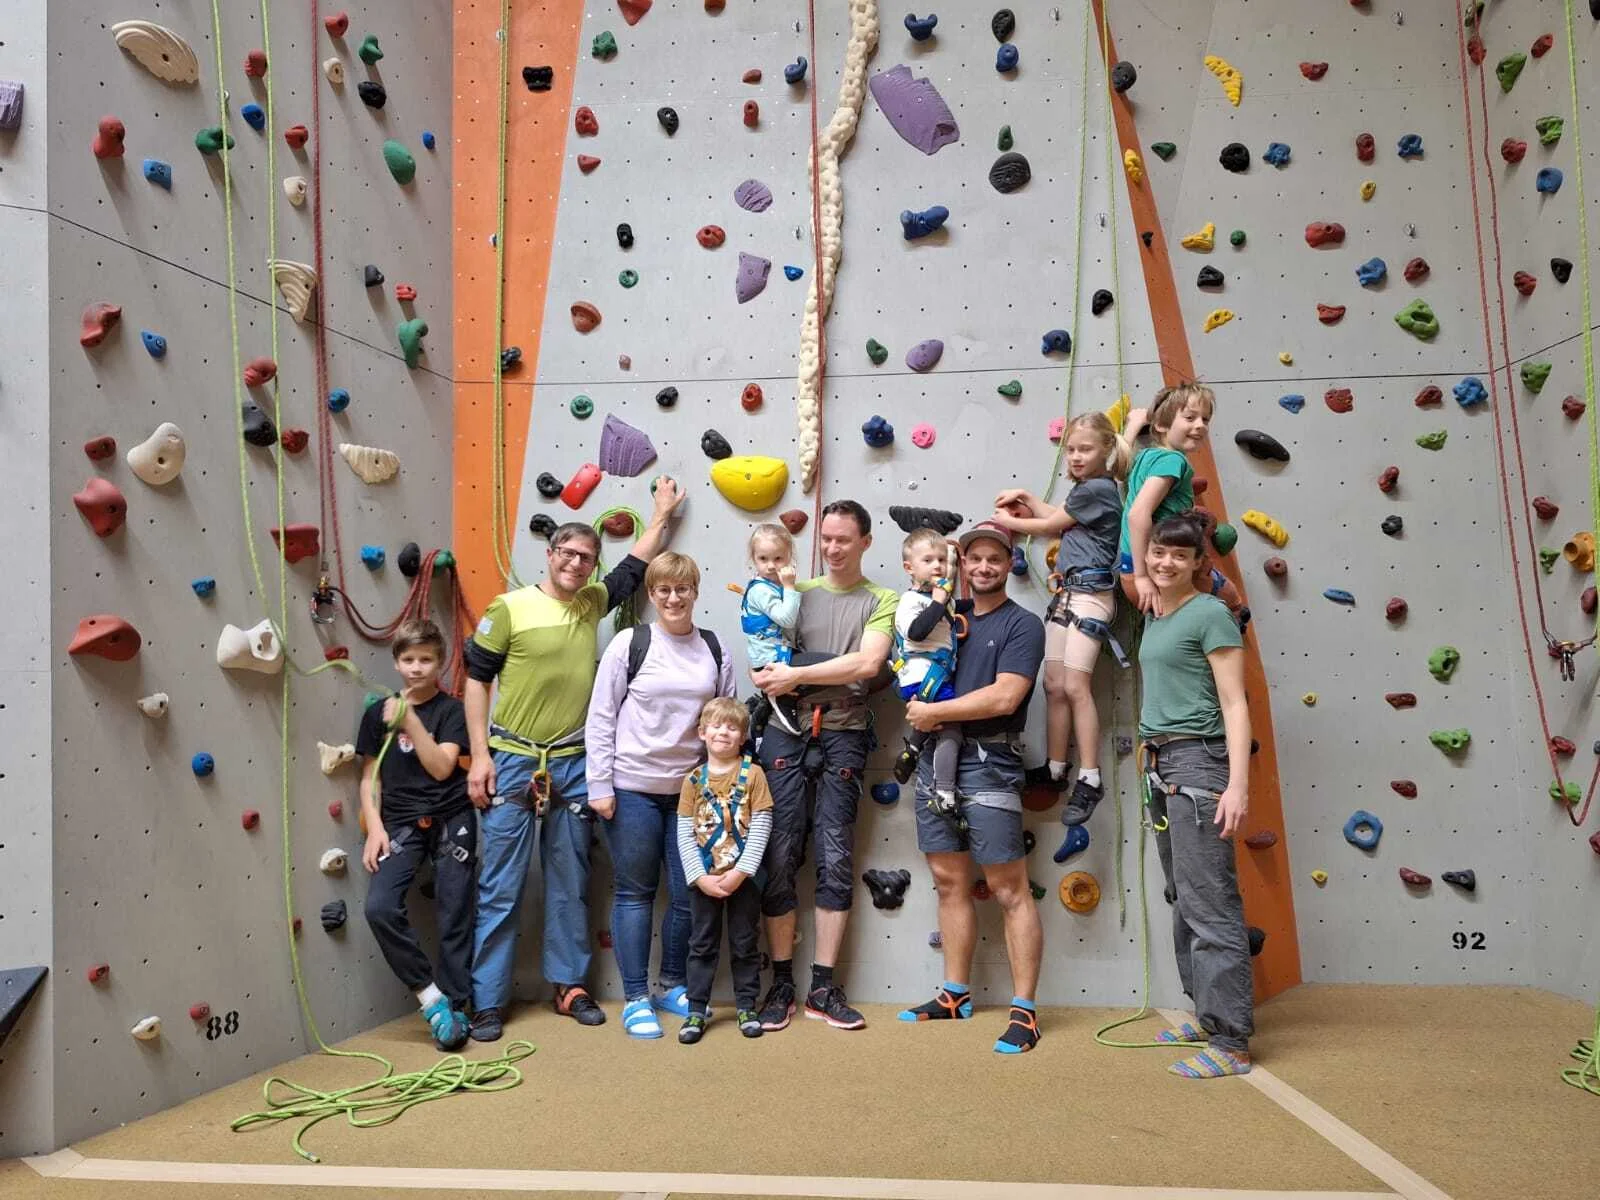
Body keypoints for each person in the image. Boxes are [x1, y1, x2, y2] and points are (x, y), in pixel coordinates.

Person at [463, 478, 684, 1042]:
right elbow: (474, 681)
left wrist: (660, 512)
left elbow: (636, 563)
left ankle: (569, 987)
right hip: (512, 760)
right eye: (568, 554)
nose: (577, 564)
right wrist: (480, 758)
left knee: (571, 880)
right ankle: (487, 999)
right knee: (500, 884)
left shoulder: (591, 604)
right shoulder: (509, 608)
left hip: (572, 762)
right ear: (551, 554)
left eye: (586, 558)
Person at [897, 520, 1047, 1054]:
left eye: (995, 560)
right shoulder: (944, 616)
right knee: (948, 881)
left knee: (1009, 888)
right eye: (975, 559)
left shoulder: (1023, 625)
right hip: (937, 760)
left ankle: (1025, 1011)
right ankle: (956, 993)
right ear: (962, 564)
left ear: (1009, 566)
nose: (984, 567)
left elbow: (1005, 697)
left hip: (991, 760)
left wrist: (933, 711)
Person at [750, 499, 896, 1032]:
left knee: (835, 858)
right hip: (784, 732)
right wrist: (789, 677)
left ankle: (824, 988)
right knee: (781, 853)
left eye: (843, 540)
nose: (832, 549)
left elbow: (869, 663)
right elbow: (762, 661)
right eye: (826, 540)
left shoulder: (882, 599)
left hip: (845, 736)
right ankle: (782, 982)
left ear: (865, 542)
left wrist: (798, 674)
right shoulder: (793, 595)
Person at [585, 552, 735, 1039]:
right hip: (632, 790)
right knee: (635, 893)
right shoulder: (632, 643)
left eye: (683, 589)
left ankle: (671, 985)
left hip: (692, 795)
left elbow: (726, 722)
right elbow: (601, 715)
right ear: (651, 594)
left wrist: (723, 790)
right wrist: (599, 785)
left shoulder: (714, 649)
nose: (673, 598)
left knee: (690, 893)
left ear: (695, 592)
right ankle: (634, 997)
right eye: (663, 590)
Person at [1136, 513, 1254, 1077]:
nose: (1166, 563)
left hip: (1198, 765)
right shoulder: (1157, 616)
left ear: (1198, 564)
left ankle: (1231, 1042)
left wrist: (1237, 785)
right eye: (1159, 552)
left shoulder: (1210, 613)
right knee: (1183, 898)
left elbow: (1235, 704)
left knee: (1211, 906)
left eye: (1179, 557)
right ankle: (1208, 1017)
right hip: (1158, 765)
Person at [990, 410, 1130, 825]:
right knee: (1054, 684)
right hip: (1069, 595)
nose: (1075, 457)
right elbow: (1062, 519)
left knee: (1074, 684)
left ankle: (1089, 777)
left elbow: (1053, 526)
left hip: (1090, 597)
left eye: (1085, 449)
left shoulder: (1100, 488)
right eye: (1070, 449)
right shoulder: (1089, 492)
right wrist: (1029, 498)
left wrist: (1009, 521)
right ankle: (1055, 770)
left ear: (1106, 450)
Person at [358, 619, 476, 1051]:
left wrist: (410, 723)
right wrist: (375, 828)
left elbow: (443, 767)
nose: (416, 668)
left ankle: (459, 1008)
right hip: (402, 823)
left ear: (440, 663)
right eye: (408, 660)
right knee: (379, 907)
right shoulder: (378, 713)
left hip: (451, 818)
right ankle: (432, 999)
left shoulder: (451, 710)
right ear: (396, 662)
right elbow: (370, 777)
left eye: (426, 660)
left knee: (454, 911)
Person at [675, 697, 773, 1044]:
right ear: (702, 732)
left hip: (743, 878)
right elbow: (684, 829)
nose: (723, 732)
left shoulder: (754, 775)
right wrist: (699, 877)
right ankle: (696, 1009)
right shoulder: (693, 780)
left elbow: (762, 823)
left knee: (745, 943)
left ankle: (747, 1005)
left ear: (743, 736)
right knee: (701, 944)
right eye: (716, 725)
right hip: (703, 878)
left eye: (732, 727)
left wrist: (742, 871)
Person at [1118, 383, 1243, 620]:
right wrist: (1143, 576)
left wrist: (1133, 426)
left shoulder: (1146, 456)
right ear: (1162, 425)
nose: (1200, 425)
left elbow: (1118, 470)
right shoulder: (1173, 461)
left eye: (1205, 420)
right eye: (1190, 417)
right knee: (1230, 601)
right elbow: (1137, 514)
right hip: (1159, 573)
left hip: (1133, 569)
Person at [889, 528, 964, 819]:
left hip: (932, 674)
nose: (937, 566)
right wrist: (939, 601)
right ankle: (945, 792)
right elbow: (917, 632)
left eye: (941, 561)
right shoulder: (911, 600)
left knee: (933, 721)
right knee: (952, 729)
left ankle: (913, 749)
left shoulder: (940, 599)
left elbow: (953, 599)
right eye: (928, 560)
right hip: (923, 674)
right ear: (910, 568)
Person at [737, 523, 832, 736]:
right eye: (763, 559)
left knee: (829, 672)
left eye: (778, 559)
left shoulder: (770, 586)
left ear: (789, 556)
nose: (771, 566)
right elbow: (787, 619)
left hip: (777, 656)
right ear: (753, 559)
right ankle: (779, 695)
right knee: (833, 665)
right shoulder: (761, 590)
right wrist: (790, 586)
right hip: (773, 661)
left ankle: (785, 695)